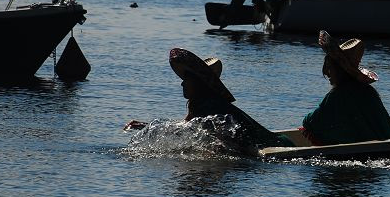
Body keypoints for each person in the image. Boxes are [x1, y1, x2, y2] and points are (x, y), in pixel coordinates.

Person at [124, 48, 293, 155]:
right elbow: (183, 127)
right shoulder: (200, 104)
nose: (182, 83)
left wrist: (150, 127)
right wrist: (147, 126)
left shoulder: (210, 105)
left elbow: (182, 131)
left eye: (186, 79)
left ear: (198, 84)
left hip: (277, 146)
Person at [301, 31, 390, 146]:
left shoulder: (338, 95)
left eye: (329, 67)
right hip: (385, 145)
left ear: (339, 70)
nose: (327, 73)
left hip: (366, 151)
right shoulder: (369, 91)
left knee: (310, 131)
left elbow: (310, 123)